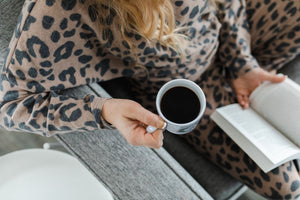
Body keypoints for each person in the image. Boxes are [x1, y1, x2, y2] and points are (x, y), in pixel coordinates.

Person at [0, 0, 299, 198]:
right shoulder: (57, 10)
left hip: (232, 34)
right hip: (185, 92)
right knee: (289, 186)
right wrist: (104, 111)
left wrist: (242, 63)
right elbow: (12, 106)